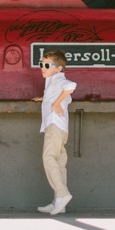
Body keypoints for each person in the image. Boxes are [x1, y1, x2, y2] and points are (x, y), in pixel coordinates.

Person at [33, 49, 77, 215]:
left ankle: (62, 194)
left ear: (58, 68)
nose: (42, 67)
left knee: (48, 157)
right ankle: (58, 203)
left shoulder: (58, 78)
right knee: (59, 162)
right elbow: (64, 94)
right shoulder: (52, 82)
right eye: (41, 64)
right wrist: (45, 99)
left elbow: (71, 87)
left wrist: (56, 104)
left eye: (46, 65)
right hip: (61, 128)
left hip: (54, 125)